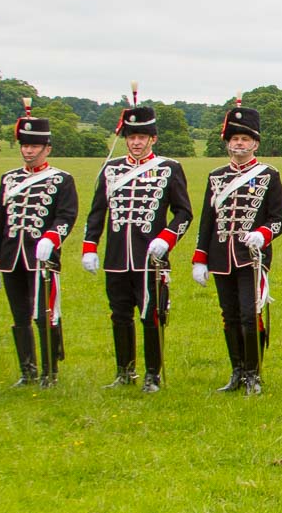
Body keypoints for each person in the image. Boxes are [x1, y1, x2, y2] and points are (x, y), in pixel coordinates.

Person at [82, 102, 192, 394]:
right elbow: (97, 212)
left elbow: (184, 213)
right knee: (119, 315)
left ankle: (152, 375)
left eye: (142, 137)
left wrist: (167, 239)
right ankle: (125, 371)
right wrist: (90, 246)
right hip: (117, 257)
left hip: (151, 259)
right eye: (131, 137)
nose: (136, 142)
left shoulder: (169, 169)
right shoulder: (111, 169)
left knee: (152, 315)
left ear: (152, 138)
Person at [191, 103, 282, 396]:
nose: (239, 143)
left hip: (251, 259)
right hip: (221, 257)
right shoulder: (216, 176)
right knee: (229, 316)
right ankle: (237, 371)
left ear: (255, 143)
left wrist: (262, 234)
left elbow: (279, 219)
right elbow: (207, 221)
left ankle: (254, 374)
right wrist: (200, 258)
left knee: (249, 315)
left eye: (244, 139)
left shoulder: (269, 175)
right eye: (234, 139)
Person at [0, 105, 78, 387]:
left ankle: (50, 373)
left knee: (44, 315)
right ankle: (27, 371)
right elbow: (1, 221)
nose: (28, 151)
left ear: (47, 148)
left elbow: (67, 215)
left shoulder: (61, 179)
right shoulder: (9, 179)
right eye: (25, 145)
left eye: (35, 145)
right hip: (12, 256)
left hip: (42, 258)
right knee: (20, 316)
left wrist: (52, 237)